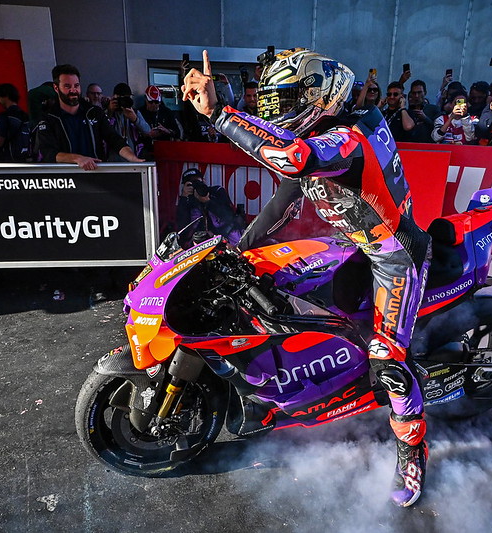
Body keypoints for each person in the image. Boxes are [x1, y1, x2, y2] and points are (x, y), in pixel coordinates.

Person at [183, 48, 431, 507]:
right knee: (280, 295)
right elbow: (282, 203)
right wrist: (239, 251)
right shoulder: (321, 135)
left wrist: (218, 113)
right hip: (355, 245)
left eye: (283, 103)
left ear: (319, 97)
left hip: (395, 257)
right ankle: (274, 393)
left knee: (387, 361)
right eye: (270, 105)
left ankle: (411, 451)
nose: (275, 114)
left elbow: (291, 158)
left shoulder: (347, 138)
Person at [36, 64, 144, 170]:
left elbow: (114, 139)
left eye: (76, 85)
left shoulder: (94, 112)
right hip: (66, 177)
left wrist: (133, 158)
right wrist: (77, 159)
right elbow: (48, 153)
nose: (73, 90)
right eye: (67, 86)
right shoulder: (48, 118)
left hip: (96, 173)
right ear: (56, 88)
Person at [175, 168, 244, 247]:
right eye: (191, 183)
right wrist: (184, 198)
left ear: (203, 180)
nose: (195, 185)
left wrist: (207, 201)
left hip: (225, 237)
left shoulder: (216, 191)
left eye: (197, 181)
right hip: (199, 242)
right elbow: (182, 228)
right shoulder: (186, 200)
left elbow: (228, 216)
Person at [105, 82, 151, 159]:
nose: (124, 101)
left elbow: (148, 131)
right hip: (112, 160)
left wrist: (135, 119)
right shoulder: (108, 112)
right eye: (121, 99)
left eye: (127, 98)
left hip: (132, 158)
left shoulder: (134, 112)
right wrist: (109, 111)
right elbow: (101, 130)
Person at [137, 84, 183, 158]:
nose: (153, 105)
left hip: (164, 150)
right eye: (151, 102)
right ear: (146, 100)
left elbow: (178, 132)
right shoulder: (140, 112)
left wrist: (166, 131)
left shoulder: (167, 112)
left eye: (156, 102)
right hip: (145, 150)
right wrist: (147, 134)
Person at [0, 83, 30, 162]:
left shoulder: (4, 116)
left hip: (8, 163)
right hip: (25, 160)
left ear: (6, 96)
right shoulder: (26, 116)